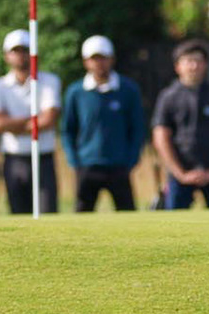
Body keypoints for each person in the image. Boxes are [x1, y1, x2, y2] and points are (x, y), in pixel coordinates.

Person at [61, 35, 146, 212]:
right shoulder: (76, 92)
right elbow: (68, 130)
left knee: (127, 214)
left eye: (103, 58)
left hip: (119, 165)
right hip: (87, 165)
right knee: (82, 215)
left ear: (112, 59)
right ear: (86, 62)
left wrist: (131, 159)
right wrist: (74, 160)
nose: (99, 63)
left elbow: (137, 128)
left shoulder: (128, 89)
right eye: (94, 58)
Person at [152, 39, 209, 209]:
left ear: (205, 64)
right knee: (175, 226)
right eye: (188, 61)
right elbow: (161, 136)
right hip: (179, 174)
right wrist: (180, 173)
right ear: (178, 66)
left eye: (198, 61)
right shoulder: (168, 97)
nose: (194, 66)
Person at [0, 29, 61, 215]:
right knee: (18, 215)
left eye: (25, 50)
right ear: (6, 56)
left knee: (47, 214)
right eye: (15, 51)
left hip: (43, 159)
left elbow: (49, 120)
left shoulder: (50, 81)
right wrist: (33, 121)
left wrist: (11, 124)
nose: (20, 55)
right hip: (14, 160)